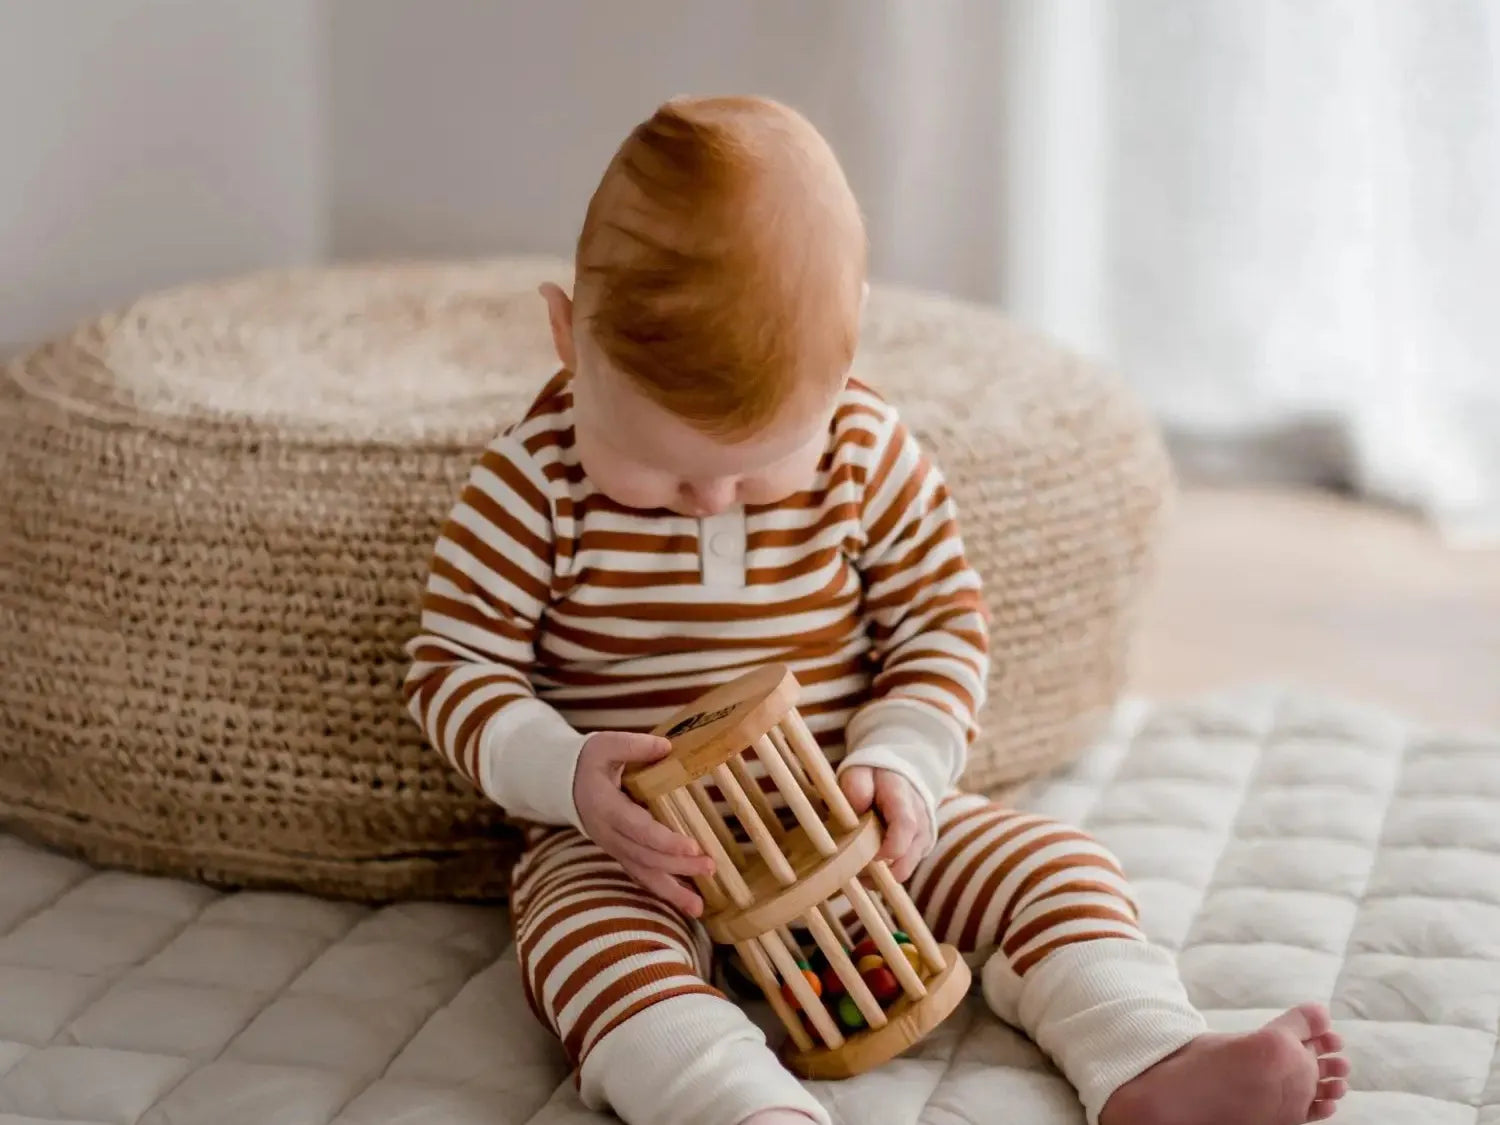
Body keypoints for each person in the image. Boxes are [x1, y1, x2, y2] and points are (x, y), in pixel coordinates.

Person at [403, 94, 1348, 1125]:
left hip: (849, 827)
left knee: (1058, 864)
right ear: (566, 337)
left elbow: (940, 625)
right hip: (637, 855)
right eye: (656, 467)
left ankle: (1147, 1054)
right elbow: (453, 670)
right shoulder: (532, 484)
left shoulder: (864, 451)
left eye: (755, 469)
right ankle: (738, 1106)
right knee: (588, 954)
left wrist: (903, 764)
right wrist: (570, 777)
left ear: (848, 361)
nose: (710, 499)